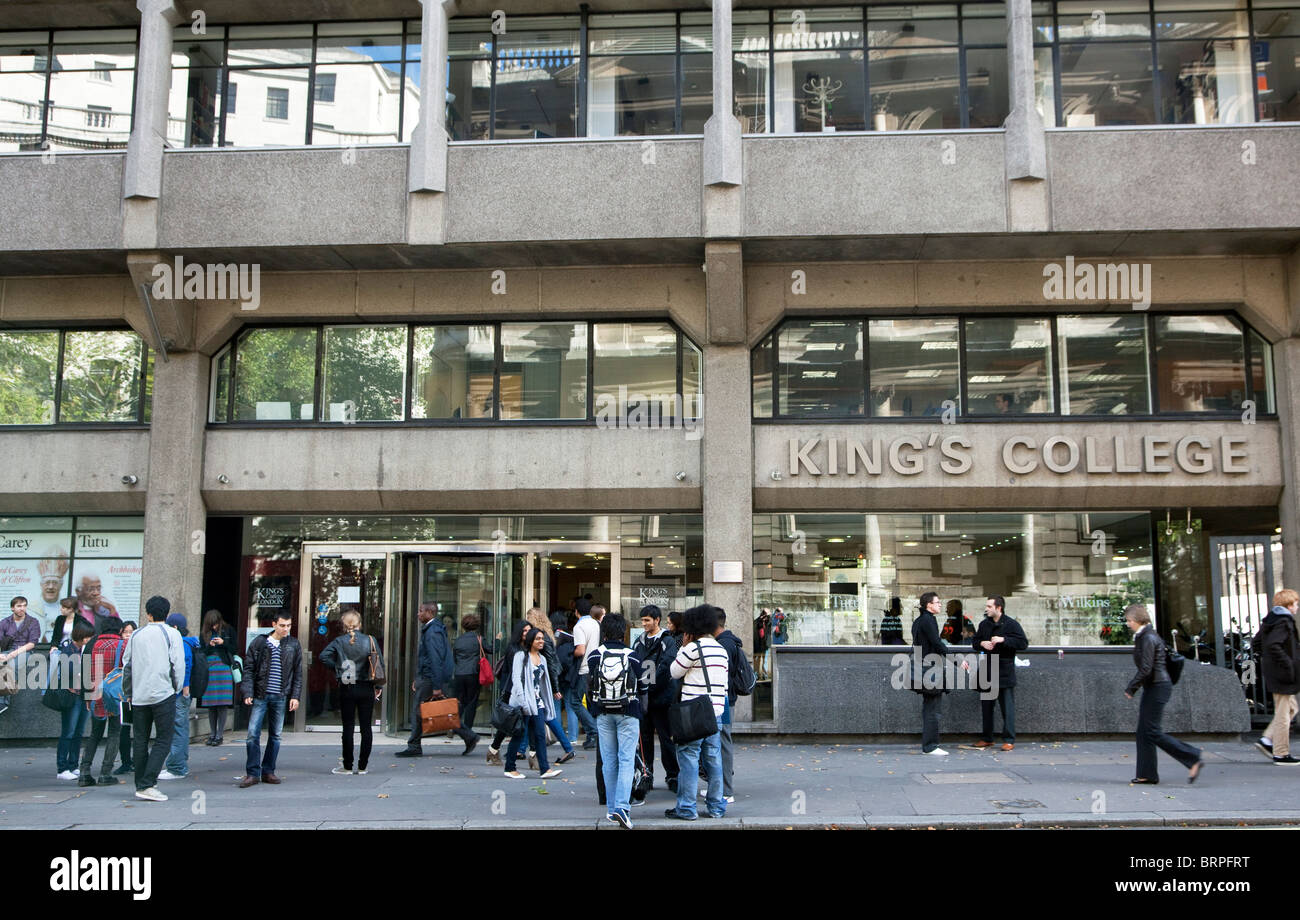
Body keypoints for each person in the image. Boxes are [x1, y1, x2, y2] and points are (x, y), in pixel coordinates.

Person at [1124, 604, 1202, 784]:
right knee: (1143, 731)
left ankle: (1192, 757)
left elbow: (1146, 668)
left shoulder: (1148, 638)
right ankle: (1147, 773)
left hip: (1158, 686)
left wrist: (1131, 688)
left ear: (1137, 620)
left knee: (1152, 730)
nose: (1128, 624)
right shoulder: (1145, 636)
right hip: (1154, 685)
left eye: (1129, 621)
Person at [665, 604, 729, 821]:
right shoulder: (721, 649)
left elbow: (674, 672)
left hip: (692, 712)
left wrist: (683, 647)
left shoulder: (693, 648)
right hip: (716, 711)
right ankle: (716, 807)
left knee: (689, 758)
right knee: (713, 758)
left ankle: (687, 808)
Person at [122, 596, 185, 801]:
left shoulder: (136, 634)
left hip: (139, 695)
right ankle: (147, 783)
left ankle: (142, 783)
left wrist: (128, 692)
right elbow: (177, 665)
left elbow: (127, 666)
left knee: (140, 739)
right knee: (164, 738)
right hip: (163, 693)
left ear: (148, 613)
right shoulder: (172, 634)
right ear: (166, 613)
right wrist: (176, 687)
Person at [396, 602, 476, 757]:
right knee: (434, 711)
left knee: (420, 711)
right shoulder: (435, 629)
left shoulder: (432, 632)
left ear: (429, 612)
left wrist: (436, 685)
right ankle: (468, 736)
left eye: (420, 611)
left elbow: (435, 659)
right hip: (428, 677)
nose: (418, 614)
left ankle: (414, 746)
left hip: (430, 678)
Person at [587, 614, 643, 828]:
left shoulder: (594, 656)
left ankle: (612, 809)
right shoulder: (633, 656)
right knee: (626, 760)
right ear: (623, 632)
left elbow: (590, 683)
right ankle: (622, 807)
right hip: (628, 712)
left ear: (604, 632)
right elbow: (643, 686)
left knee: (608, 761)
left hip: (603, 712)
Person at [239, 613, 304, 788]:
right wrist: (247, 692)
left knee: (276, 735)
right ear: (274, 624)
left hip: (280, 696)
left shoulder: (293, 644)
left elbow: (298, 672)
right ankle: (252, 773)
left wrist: (295, 696)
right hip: (260, 694)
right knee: (253, 734)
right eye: (283, 625)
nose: (286, 629)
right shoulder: (260, 643)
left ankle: (268, 771)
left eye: (289, 625)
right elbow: (249, 669)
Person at [319, 609, 384, 775]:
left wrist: (338, 668)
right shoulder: (370, 640)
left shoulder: (339, 641)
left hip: (347, 685)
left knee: (347, 728)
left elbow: (323, 656)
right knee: (366, 728)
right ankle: (363, 766)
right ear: (359, 624)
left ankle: (347, 766)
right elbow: (379, 664)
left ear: (343, 625)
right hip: (366, 686)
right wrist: (378, 687)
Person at [504, 626, 563, 780]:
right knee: (519, 735)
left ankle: (545, 769)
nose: (541, 641)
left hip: (538, 703)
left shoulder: (542, 658)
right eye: (538, 639)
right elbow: (516, 680)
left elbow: (544, 683)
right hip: (524, 703)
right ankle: (510, 768)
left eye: (542, 638)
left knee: (540, 736)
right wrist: (523, 702)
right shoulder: (520, 656)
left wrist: (547, 702)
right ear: (530, 640)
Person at [971, 595, 1029, 751]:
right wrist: (982, 643)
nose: (986, 609)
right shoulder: (984, 624)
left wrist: (1003, 640)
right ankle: (987, 738)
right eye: (987, 606)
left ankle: (1009, 739)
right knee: (986, 707)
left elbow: (1023, 643)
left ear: (999, 608)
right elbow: (975, 642)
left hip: (1004, 670)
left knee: (1007, 707)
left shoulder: (1011, 624)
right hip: (987, 669)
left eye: (989, 606)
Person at [912, 591, 967, 756]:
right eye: (937, 602)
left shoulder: (919, 621)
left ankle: (929, 745)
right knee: (933, 708)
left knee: (930, 706)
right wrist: (957, 660)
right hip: (930, 669)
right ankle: (930, 746)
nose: (940, 605)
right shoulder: (928, 620)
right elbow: (937, 644)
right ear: (929, 605)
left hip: (925, 667)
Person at [634, 604, 678, 793]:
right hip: (644, 699)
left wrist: (647, 686)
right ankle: (647, 774)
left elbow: (666, 667)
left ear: (656, 620)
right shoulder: (639, 641)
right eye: (642, 620)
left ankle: (673, 776)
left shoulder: (667, 641)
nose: (644, 624)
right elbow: (634, 664)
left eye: (647, 620)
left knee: (666, 739)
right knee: (644, 740)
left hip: (662, 698)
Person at [78, 618, 127, 785]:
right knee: (114, 733)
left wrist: (86, 696)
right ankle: (105, 773)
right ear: (119, 630)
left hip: (95, 694)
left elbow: (84, 671)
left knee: (95, 734)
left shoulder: (91, 644)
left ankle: (84, 772)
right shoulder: (124, 645)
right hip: (116, 696)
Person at [524, 606, 575, 765]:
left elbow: (550, 664)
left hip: (542, 682)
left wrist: (554, 688)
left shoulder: (539, 638)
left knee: (543, 715)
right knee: (542, 715)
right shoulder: (547, 635)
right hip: (546, 680)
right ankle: (523, 749)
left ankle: (522, 749)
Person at [1255, 589, 1300, 765]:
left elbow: (1257, 643)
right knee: (1283, 713)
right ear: (1289, 605)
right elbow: (1274, 645)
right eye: (1296, 604)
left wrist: (1270, 663)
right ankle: (1281, 753)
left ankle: (1267, 740)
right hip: (1283, 674)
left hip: (1277, 672)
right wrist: (1287, 664)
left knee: (1291, 709)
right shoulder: (1283, 621)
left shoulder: (1271, 620)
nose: (1297, 607)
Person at [51, 617, 95, 780]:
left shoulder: (83, 650)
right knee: (68, 732)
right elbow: (71, 672)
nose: (90, 640)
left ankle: (73, 764)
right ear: (82, 636)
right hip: (71, 695)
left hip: (83, 695)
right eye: (89, 637)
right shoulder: (68, 650)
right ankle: (62, 768)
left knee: (78, 732)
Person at [712, 610, 747, 803]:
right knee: (719, 742)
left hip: (723, 700)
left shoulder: (723, 644)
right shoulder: (729, 641)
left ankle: (725, 791)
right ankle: (719, 787)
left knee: (722, 742)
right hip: (726, 698)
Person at [159, 612, 200, 781]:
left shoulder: (181, 644)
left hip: (180, 693)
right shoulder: (188, 643)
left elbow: (185, 665)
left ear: (175, 627)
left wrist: (184, 688)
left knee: (177, 728)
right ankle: (179, 763)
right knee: (180, 727)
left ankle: (177, 767)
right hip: (181, 693)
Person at [486, 620, 530, 764]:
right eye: (524, 631)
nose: (527, 633)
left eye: (529, 630)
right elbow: (515, 673)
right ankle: (495, 750)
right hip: (512, 690)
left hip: (525, 690)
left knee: (524, 722)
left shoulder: (530, 648)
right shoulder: (513, 649)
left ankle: (494, 750)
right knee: (508, 722)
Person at [570, 600, 604, 750]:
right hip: (597, 668)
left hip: (584, 669)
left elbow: (581, 650)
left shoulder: (579, 626)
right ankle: (593, 735)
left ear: (577, 612)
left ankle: (593, 730)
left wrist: (569, 651)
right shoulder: (596, 624)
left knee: (575, 701)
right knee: (592, 703)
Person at [0, 595, 41, 716]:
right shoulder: (4, 622)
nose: (22, 608)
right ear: (12, 608)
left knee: (10, 666)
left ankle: (3, 701)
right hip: (6, 651)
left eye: (24, 605)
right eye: (19, 606)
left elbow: (32, 643)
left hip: (24, 651)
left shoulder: (33, 622)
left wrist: (13, 654)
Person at [199, 610, 235, 745]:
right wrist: (210, 645)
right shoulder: (203, 634)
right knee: (211, 705)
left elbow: (234, 648)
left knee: (222, 704)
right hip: (209, 669)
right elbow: (201, 652)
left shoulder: (228, 630)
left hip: (224, 667)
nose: (214, 627)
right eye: (211, 625)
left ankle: (219, 735)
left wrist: (223, 643)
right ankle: (212, 734)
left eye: (216, 624)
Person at [452, 611, 486, 737]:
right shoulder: (479, 639)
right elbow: (492, 649)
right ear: (477, 625)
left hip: (459, 674)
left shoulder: (458, 640)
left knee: (459, 701)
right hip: (473, 673)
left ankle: (454, 726)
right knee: (472, 702)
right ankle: (467, 730)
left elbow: (454, 657)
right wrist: (498, 640)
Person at [113, 621, 136, 775]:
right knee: (124, 729)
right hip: (123, 691)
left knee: (138, 729)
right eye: (125, 632)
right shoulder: (119, 647)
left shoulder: (136, 646)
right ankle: (126, 761)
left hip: (137, 690)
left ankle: (134, 761)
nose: (128, 635)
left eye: (131, 631)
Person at [753, 608, 771, 679]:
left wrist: (768, 617)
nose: (765, 616)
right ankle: (756, 674)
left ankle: (764, 674)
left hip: (765, 644)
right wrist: (760, 619)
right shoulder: (757, 622)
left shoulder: (769, 622)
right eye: (764, 613)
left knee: (765, 659)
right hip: (758, 644)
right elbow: (754, 626)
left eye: (766, 614)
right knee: (757, 660)